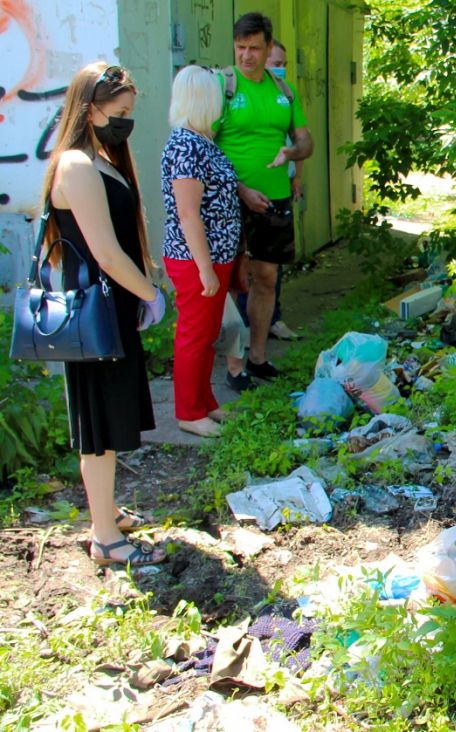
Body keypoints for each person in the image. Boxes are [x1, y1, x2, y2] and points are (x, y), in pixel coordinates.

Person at [41, 62, 167, 567]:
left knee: (109, 423)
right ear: (89, 109)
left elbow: (121, 240)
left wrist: (148, 280)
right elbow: (107, 254)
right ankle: (104, 538)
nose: (125, 123)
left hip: (112, 308)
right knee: (98, 429)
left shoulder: (100, 158)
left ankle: (105, 511)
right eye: (119, 113)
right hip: (97, 312)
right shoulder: (75, 164)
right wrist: (150, 293)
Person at [216, 12, 313, 381]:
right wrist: (239, 188)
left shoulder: (283, 91)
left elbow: (305, 140)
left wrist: (291, 153)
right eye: (240, 48)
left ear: (268, 47)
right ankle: (232, 363)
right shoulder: (223, 86)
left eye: (255, 48)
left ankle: (257, 356)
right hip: (229, 199)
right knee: (229, 279)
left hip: (273, 200)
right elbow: (204, 145)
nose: (246, 56)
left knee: (266, 278)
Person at [160, 66, 241, 437]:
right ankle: (188, 412)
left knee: (208, 332)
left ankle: (204, 401)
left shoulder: (200, 141)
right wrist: (205, 268)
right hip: (196, 259)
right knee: (194, 334)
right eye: (218, 95)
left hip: (215, 256)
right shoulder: (185, 146)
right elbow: (188, 214)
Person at [234, 38, 301, 343]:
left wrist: (296, 173)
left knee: (271, 271)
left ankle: (271, 322)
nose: (281, 69)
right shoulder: (231, 89)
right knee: (242, 268)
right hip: (240, 198)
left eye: (284, 64)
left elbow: (298, 140)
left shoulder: (285, 94)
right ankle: (241, 330)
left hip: (277, 195)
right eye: (277, 63)